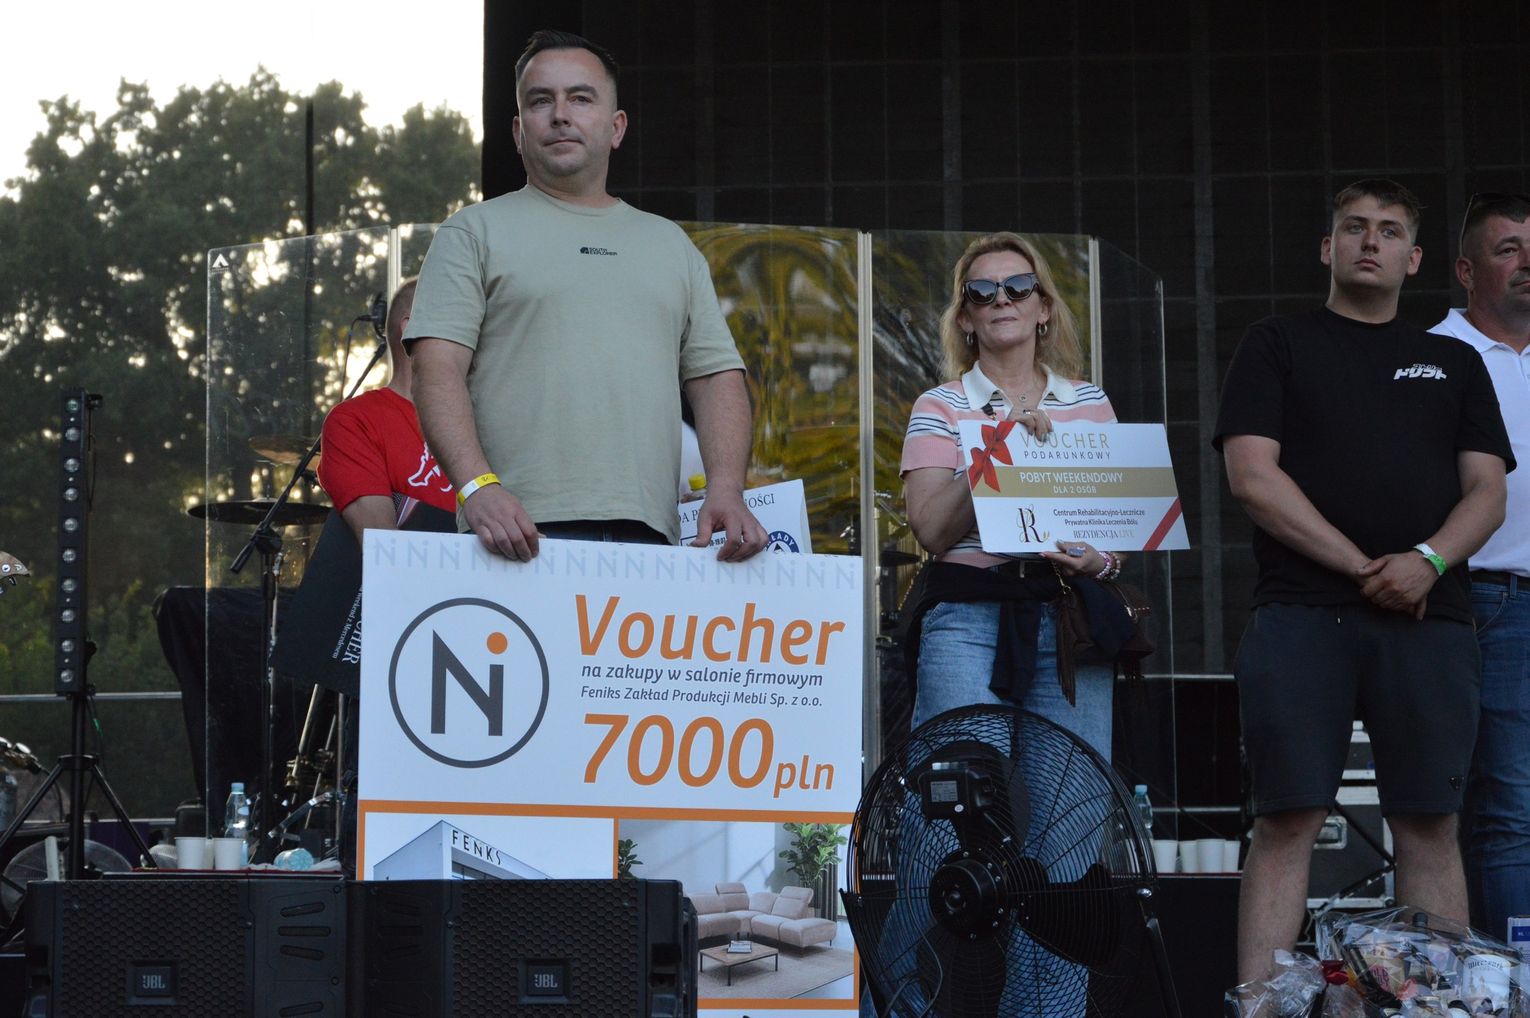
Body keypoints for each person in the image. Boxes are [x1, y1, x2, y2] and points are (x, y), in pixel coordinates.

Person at [1215, 179, 1513, 981]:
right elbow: (1252, 477)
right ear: (1328, 248)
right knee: (1286, 820)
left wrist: (1428, 562)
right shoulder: (1275, 343)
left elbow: (1487, 492)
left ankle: (1435, 1000)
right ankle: (1263, 1004)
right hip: (1301, 614)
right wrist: (1363, 567)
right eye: (1353, 228)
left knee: (1430, 822)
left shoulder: (1453, 361)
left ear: (1415, 259)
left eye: (1388, 231)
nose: (1369, 241)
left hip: (1429, 618)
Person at [405, 30, 765, 562]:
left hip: (652, 536)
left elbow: (715, 378)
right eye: (540, 101)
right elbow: (436, 370)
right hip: (513, 536)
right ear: (518, 132)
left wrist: (727, 489)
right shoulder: (471, 232)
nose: (560, 115)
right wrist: (477, 487)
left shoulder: (671, 245)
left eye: (580, 98)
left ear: (616, 127)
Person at [900, 231, 1120, 748]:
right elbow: (932, 532)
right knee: (964, 783)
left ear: (1044, 308)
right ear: (965, 318)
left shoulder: (1090, 402)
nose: (1001, 299)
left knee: (1072, 790)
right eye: (982, 291)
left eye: (1019, 286)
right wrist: (997, 450)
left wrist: (1101, 562)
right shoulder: (938, 405)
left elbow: (1117, 526)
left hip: (1069, 617)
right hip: (967, 618)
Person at [1430, 191, 1530, 941]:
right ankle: (1514, 983)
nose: (1528, 264)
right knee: (1510, 809)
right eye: (1508, 250)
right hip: (1492, 598)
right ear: (1466, 270)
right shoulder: (1431, 356)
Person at [317, 277, 456, 537]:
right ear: (414, 329)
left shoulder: (486, 419)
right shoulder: (355, 421)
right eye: (463, 324)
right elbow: (383, 544)